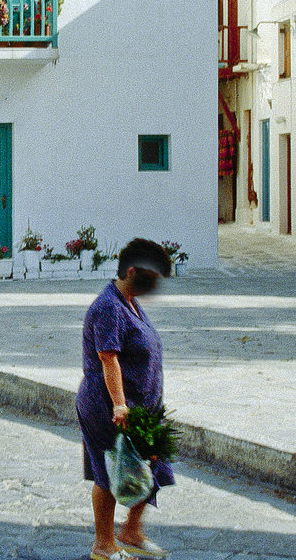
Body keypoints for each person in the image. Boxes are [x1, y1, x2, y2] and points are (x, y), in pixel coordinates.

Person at [77, 237, 174, 560]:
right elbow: (108, 358)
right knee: (110, 471)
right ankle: (103, 544)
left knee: (152, 466)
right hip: (108, 405)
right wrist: (119, 404)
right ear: (131, 271)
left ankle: (131, 530)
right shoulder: (108, 307)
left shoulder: (130, 301)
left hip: (141, 404)